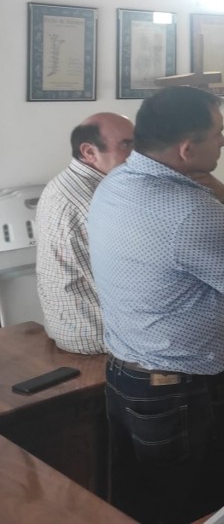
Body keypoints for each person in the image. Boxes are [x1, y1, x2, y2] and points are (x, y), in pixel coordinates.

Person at [88, 85, 224, 524]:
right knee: (199, 505)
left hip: (127, 375)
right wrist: (222, 199)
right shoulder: (190, 209)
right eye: (219, 133)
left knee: (142, 501)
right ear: (188, 149)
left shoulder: (115, 182)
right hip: (182, 392)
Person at [36, 112, 134, 354]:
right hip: (96, 335)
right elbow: (128, 287)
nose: (138, 153)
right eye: (126, 145)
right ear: (89, 152)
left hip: (69, 324)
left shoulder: (63, 182)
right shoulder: (96, 202)